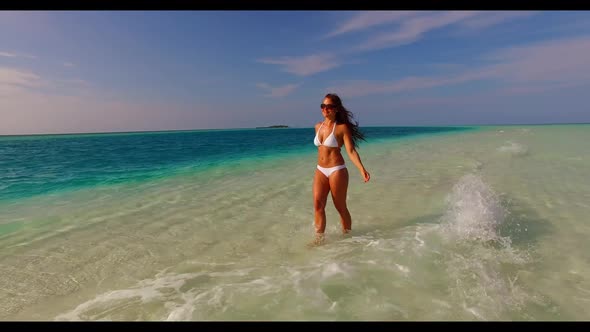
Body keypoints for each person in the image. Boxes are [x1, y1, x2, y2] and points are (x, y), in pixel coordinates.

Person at [310, 93, 370, 246]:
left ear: (336, 109)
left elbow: (351, 151)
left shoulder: (342, 128)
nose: (325, 109)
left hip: (337, 170)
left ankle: (348, 237)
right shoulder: (318, 126)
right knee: (318, 205)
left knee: (340, 206)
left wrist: (362, 169)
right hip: (320, 170)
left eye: (329, 106)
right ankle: (319, 240)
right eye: (323, 106)